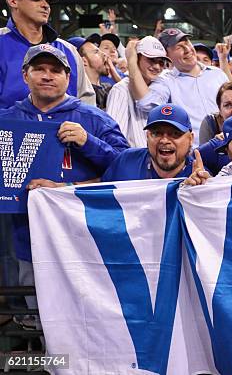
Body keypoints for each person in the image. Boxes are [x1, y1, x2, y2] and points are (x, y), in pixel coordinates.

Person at [0, 44, 128, 308]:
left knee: (84, 313)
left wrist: (89, 142)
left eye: (56, 70)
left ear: (68, 78)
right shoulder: (8, 120)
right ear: (26, 75)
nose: (48, 76)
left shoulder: (93, 119)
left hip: (83, 237)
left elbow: (126, 167)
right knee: (36, 316)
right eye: (40, 69)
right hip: (27, 238)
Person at [1, 0, 94, 109]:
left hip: (63, 128)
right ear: (13, 1)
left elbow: (86, 101)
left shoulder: (69, 50)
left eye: (47, 0)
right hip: (11, 128)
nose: (45, 5)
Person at [128, 28, 229, 146]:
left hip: (228, 148)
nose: (187, 49)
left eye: (187, 42)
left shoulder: (217, 73)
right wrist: (131, 60)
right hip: (196, 153)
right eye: (179, 47)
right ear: (167, 55)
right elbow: (146, 102)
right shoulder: (166, 81)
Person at [102, 104, 196, 181]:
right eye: (156, 133)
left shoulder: (197, 175)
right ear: (147, 136)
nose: (164, 140)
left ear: (190, 139)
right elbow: (100, 200)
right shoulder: (126, 162)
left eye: (175, 134)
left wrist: (201, 191)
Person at [106, 37, 171, 148]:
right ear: (137, 58)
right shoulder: (121, 90)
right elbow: (114, 136)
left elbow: (147, 103)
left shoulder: (162, 83)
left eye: (161, 62)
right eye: (151, 60)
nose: (156, 66)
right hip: (133, 159)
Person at [68, 34, 121, 110]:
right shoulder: (77, 97)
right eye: (96, 52)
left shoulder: (107, 89)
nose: (104, 54)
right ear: (83, 61)